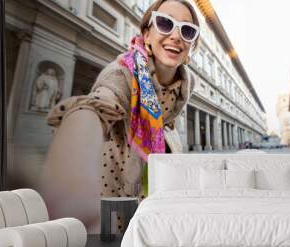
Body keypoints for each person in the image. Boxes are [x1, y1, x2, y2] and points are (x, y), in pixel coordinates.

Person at [39, 0, 200, 234]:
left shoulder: (186, 82)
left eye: (187, 30)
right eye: (165, 23)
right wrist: (73, 169)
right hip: (115, 184)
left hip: (156, 193)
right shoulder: (123, 72)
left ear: (191, 45)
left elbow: (168, 120)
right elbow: (97, 106)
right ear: (146, 34)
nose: (176, 35)